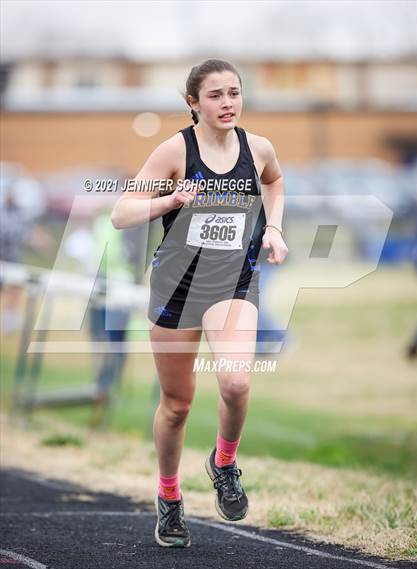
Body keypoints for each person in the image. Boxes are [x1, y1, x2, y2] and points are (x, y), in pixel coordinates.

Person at [111, 59, 288, 548]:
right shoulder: (174, 151)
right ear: (193, 102)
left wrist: (272, 228)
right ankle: (169, 497)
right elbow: (121, 213)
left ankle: (224, 463)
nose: (227, 103)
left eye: (234, 93)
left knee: (235, 382)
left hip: (233, 281)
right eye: (215, 95)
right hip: (176, 287)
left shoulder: (258, 147)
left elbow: (274, 182)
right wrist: (167, 201)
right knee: (177, 405)